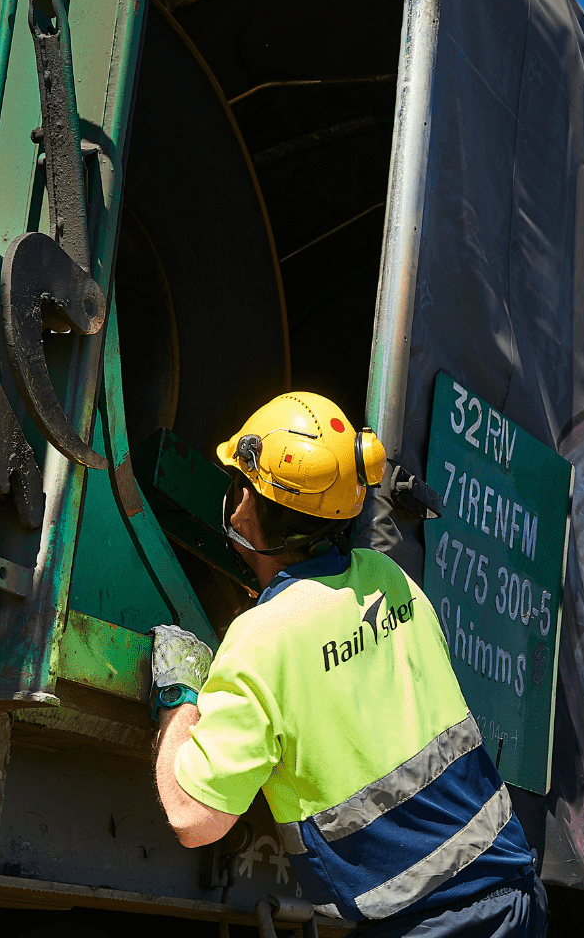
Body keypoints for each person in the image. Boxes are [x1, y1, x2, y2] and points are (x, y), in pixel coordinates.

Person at [148, 392, 543, 937]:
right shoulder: (392, 581)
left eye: (239, 481)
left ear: (247, 506)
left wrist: (177, 700)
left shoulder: (262, 641)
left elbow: (193, 820)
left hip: (430, 926)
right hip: (513, 897)